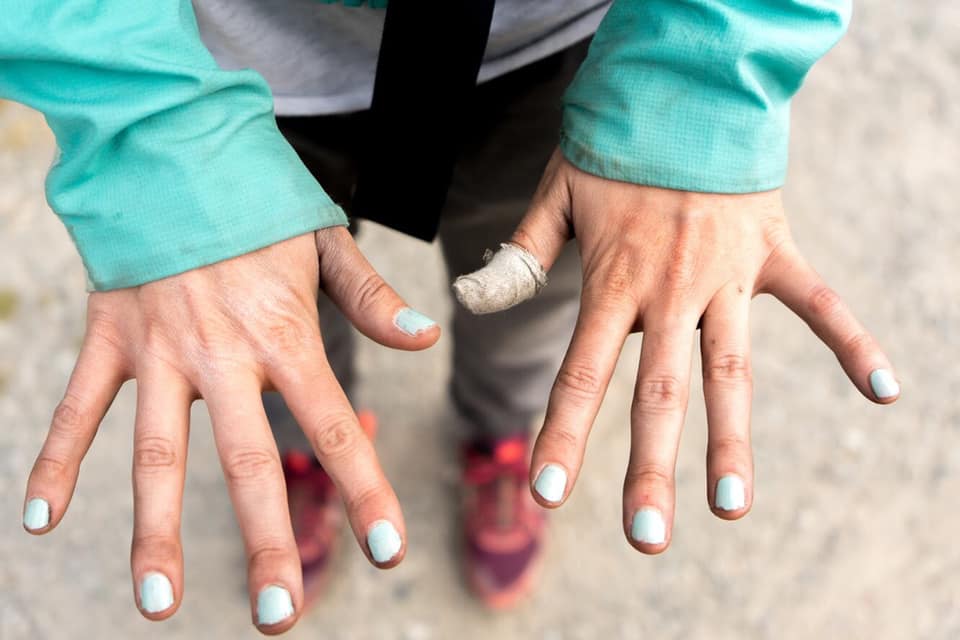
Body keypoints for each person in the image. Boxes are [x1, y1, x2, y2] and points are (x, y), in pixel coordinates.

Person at [2, 0, 899, 634]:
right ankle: (307, 445)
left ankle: (497, 430)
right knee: (260, 319)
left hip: (559, 40)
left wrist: (705, 66)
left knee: (534, 278)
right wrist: (146, 121)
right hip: (215, 51)